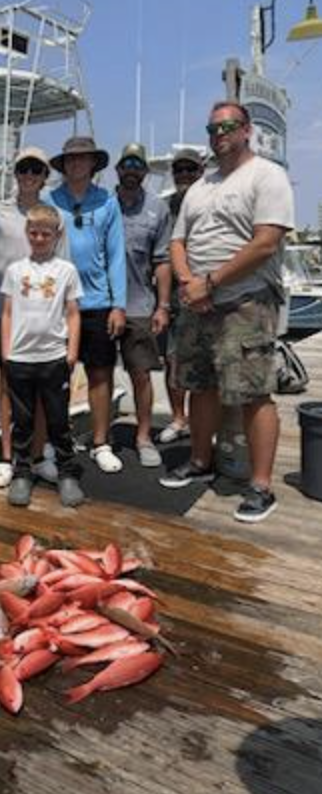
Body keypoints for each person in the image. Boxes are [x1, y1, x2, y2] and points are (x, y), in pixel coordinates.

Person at [160, 101, 294, 523]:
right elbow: (177, 242)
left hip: (246, 302)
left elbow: (266, 242)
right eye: (213, 128)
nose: (220, 134)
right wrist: (188, 284)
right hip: (198, 302)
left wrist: (211, 282)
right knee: (200, 386)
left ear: (246, 130)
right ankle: (201, 461)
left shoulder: (268, 175)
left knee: (253, 393)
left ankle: (260, 485)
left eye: (229, 126)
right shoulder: (199, 186)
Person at [0, 147, 58, 488]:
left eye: (37, 169)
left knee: (41, 391)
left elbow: (62, 268)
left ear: (45, 176)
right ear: (15, 172)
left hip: (44, 316)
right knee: (8, 387)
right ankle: (6, 458)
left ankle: (36, 456)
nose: (30, 174)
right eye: (24, 168)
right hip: (3, 313)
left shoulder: (53, 214)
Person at [46, 136, 127, 474]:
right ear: (63, 165)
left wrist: (118, 305)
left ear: (94, 164)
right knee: (54, 376)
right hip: (57, 303)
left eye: (84, 159)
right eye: (71, 159)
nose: (77, 164)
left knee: (100, 373)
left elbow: (116, 255)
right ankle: (54, 441)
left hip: (97, 302)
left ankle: (100, 442)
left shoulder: (107, 201)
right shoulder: (50, 200)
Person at [0, 204, 84, 508]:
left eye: (45, 233)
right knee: (22, 421)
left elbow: (74, 314)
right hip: (20, 358)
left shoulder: (66, 271)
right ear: (26, 233)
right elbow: (8, 313)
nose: (39, 238)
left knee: (59, 421)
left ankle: (67, 472)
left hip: (54, 358)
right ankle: (22, 472)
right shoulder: (14, 270)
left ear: (56, 235)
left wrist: (72, 351)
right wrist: (5, 351)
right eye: (33, 232)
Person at [115, 143, 172, 466]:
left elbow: (162, 260)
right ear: (118, 170)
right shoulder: (103, 203)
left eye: (138, 164)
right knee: (98, 374)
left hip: (139, 305)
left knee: (140, 374)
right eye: (127, 163)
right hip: (102, 305)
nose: (132, 169)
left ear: (146, 171)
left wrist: (163, 305)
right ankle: (100, 438)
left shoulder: (158, 209)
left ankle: (143, 436)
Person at [157, 147, 206, 445]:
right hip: (174, 297)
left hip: (206, 293)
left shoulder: (211, 199)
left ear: (201, 172)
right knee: (173, 360)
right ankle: (179, 418)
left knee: (205, 364)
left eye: (191, 169)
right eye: (179, 170)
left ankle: (205, 425)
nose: (184, 175)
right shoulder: (167, 207)